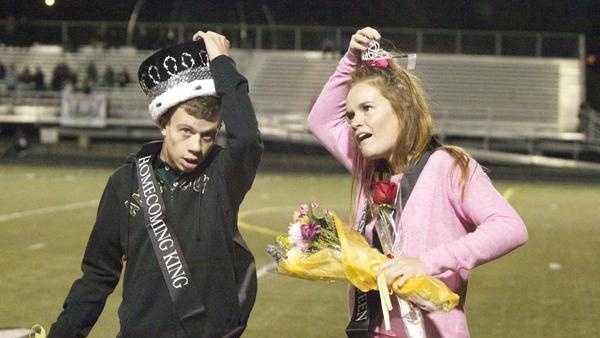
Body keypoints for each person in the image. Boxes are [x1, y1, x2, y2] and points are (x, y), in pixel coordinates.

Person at [308, 27, 528, 338]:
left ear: (403, 108)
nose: (355, 121)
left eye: (367, 108)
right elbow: (320, 120)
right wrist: (351, 60)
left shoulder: (448, 165)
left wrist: (426, 263)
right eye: (351, 114)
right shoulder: (369, 168)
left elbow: (510, 227)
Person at [48, 31, 262, 338]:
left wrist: (222, 64)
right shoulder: (124, 183)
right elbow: (97, 275)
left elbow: (248, 141)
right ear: (163, 124)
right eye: (186, 131)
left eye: (207, 135)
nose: (196, 147)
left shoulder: (222, 175)